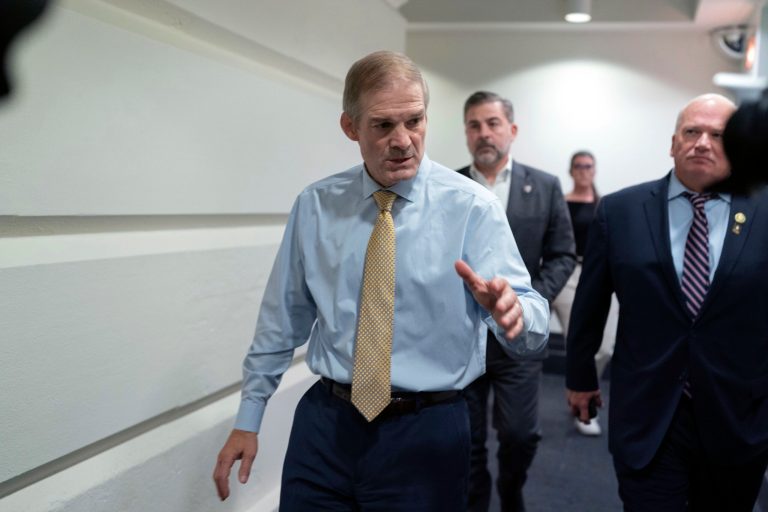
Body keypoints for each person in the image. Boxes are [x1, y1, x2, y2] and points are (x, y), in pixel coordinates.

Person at [212, 51, 550, 511]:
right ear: (350, 127)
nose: (403, 140)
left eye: (414, 121)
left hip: (427, 432)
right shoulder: (316, 206)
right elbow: (280, 321)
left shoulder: (473, 208)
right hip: (325, 429)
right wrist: (248, 419)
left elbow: (533, 323)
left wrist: (515, 316)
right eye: (383, 125)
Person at [566, 93, 768, 511]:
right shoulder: (620, 211)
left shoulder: (765, 211)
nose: (703, 142)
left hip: (737, 417)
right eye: (692, 132)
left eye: (718, 134)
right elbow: (590, 302)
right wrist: (581, 376)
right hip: (648, 413)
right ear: (673, 143)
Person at [457, 91, 575, 512]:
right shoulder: (447, 186)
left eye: (492, 123)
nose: (484, 133)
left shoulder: (543, 186)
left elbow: (562, 254)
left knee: (520, 434)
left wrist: (528, 304)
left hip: (518, 335)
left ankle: (511, 489)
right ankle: (476, 499)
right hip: (462, 336)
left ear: (512, 130)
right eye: (474, 125)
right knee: (466, 439)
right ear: (466, 133)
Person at [551, 150, 618, 436]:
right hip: (568, 274)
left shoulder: (605, 205)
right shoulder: (561, 204)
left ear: (595, 170)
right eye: (578, 166)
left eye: (588, 166)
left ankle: (580, 389)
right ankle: (584, 406)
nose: (583, 170)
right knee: (578, 342)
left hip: (600, 275)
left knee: (605, 347)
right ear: (571, 170)